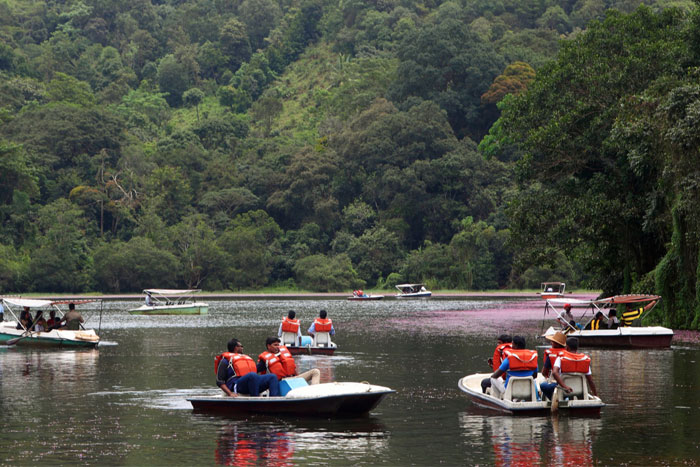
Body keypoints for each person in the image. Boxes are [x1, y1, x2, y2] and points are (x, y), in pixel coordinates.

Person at [216, 338, 280, 397]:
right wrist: (230, 393)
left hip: (252, 381)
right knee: (252, 376)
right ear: (235, 348)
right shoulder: (225, 361)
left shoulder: (245, 358)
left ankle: (274, 400)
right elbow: (219, 381)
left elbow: (257, 369)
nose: (242, 348)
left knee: (272, 377)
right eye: (241, 346)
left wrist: (271, 359)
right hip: (237, 385)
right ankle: (255, 400)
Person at [540, 337, 598, 401]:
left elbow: (554, 372)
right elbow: (590, 381)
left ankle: (553, 400)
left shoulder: (560, 358)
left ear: (567, 347)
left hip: (564, 389)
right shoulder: (584, 360)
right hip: (579, 390)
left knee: (543, 385)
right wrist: (595, 395)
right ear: (577, 348)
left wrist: (564, 387)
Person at [539, 331, 567, 398]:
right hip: (569, 382)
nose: (551, 343)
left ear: (556, 344)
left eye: (552, 341)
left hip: (557, 383)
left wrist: (547, 377)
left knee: (542, 385)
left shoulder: (551, 355)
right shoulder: (569, 354)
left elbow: (544, 372)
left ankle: (551, 398)